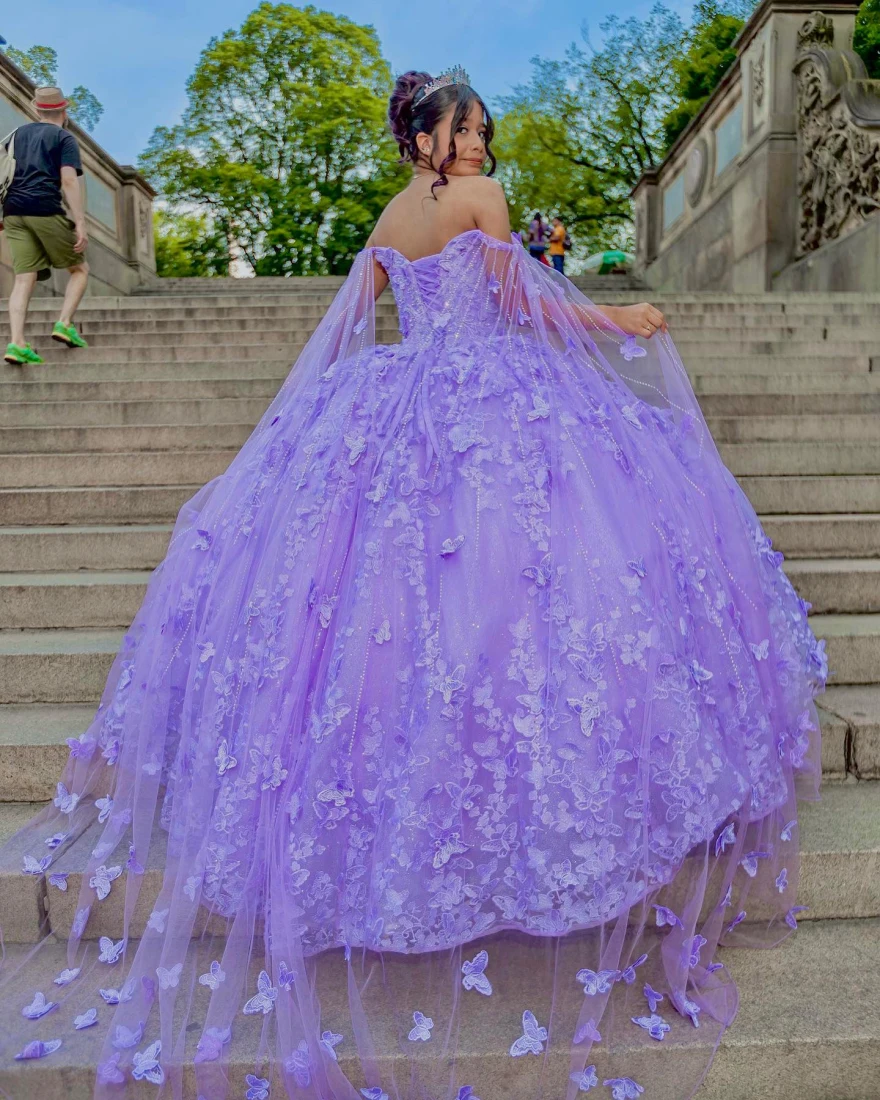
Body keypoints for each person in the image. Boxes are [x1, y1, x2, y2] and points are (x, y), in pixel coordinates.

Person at [0, 68, 825, 1100]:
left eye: (481, 128)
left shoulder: (393, 213)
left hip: (395, 403)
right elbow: (524, 300)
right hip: (483, 399)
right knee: (525, 592)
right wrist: (621, 320)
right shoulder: (478, 203)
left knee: (395, 619)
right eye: (464, 126)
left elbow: (356, 318)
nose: (479, 141)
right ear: (425, 134)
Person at [1, 86, 90, 366]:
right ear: (63, 112)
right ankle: (64, 323)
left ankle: (16, 343)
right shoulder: (64, 138)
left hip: (13, 212)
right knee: (79, 269)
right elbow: (68, 181)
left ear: (37, 110)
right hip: (44, 209)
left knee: (24, 278)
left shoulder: (14, 136)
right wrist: (80, 222)